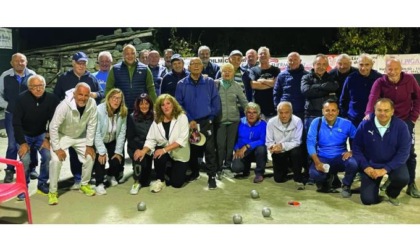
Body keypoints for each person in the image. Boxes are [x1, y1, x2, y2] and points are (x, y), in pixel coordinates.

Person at [365, 57, 420, 198]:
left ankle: (411, 183)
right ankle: (391, 176)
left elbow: (418, 98)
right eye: (390, 69)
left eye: (396, 69)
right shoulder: (380, 82)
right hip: (387, 121)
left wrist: (413, 117)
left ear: (401, 69)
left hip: (405, 121)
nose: (393, 72)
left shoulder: (410, 79)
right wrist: (368, 115)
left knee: (409, 152)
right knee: (387, 149)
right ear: (385, 70)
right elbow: (372, 98)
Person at [54, 51, 103, 190]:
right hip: (70, 120)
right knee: (73, 151)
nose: (81, 66)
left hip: (86, 119)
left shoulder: (91, 78)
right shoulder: (64, 78)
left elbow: (101, 94)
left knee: (89, 147)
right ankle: (76, 177)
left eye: (84, 63)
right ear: (73, 63)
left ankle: (87, 176)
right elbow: (56, 97)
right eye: (79, 63)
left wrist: (93, 94)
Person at [48, 83, 98, 205]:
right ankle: (52, 192)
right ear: (74, 94)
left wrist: (89, 145)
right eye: (80, 94)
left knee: (90, 156)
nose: (83, 98)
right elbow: (53, 127)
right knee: (56, 161)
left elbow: (92, 125)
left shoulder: (92, 103)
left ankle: (84, 184)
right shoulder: (64, 106)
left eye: (86, 95)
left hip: (80, 135)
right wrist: (57, 148)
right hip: (62, 135)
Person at [354, 98, 410, 206]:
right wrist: (366, 167)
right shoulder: (365, 125)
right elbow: (356, 147)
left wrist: (385, 169)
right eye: (379, 110)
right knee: (368, 200)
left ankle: (391, 193)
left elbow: (404, 152)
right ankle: (373, 190)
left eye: (386, 110)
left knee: (403, 178)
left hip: (393, 163)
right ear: (374, 110)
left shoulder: (401, 126)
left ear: (392, 111)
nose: (383, 113)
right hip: (371, 165)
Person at [176, 57, 221, 189]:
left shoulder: (209, 82)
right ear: (188, 67)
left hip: (206, 121)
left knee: (209, 149)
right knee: (193, 149)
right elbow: (179, 104)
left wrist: (211, 118)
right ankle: (194, 172)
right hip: (189, 123)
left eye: (198, 64)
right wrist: (189, 120)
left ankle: (211, 176)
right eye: (193, 64)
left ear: (202, 67)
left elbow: (215, 102)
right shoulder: (181, 84)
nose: (196, 66)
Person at [13, 74, 60, 199]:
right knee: (25, 160)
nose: (38, 89)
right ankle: (23, 187)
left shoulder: (52, 99)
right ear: (29, 88)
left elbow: (54, 121)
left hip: (41, 134)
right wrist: (22, 143)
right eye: (34, 87)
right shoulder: (21, 99)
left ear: (45, 86)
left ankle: (42, 183)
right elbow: (16, 123)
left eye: (41, 86)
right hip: (24, 134)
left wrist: (47, 138)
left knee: (48, 156)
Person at [135, 94, 190, 192]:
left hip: (179, 153)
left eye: (168, 103)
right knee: (157, 153)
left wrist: (164, 150)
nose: (166, 107)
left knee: (176, 184)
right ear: (160, 107)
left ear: (173, 104)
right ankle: (160, 179)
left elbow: (181, 140)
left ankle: (172, 170)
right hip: (165, 152)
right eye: (163, 105)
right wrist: (143, 151)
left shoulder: (182, 117)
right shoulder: (157, 120)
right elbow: (151, 139)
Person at [307, 99, 358, 197]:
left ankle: (346, 185)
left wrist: (352, 150)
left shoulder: (346, 123)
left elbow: (358, 139)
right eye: (327, 110)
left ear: (338, 112)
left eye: (333, 110)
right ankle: (329, 178)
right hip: (322, 157)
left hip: (340, 157)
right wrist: (317, 162)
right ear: (322, 111)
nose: (330, 113)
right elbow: (310, 143)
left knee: (354, 163)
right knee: (315, 174)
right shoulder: (316, 122)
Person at [0, 53, 38, 183]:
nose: (19, 63)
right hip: (11, 115)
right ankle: (10, 170)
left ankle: (32, 168)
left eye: (22, 61)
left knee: (31, 141)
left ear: (26, 62)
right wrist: (8, 105)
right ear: (11, 63)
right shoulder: (5, 76)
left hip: (29, 115)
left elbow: (38, 92)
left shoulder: (32, 75)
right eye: (16, 61)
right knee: (12, 144)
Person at [214, 63, 248, 178]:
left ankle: (227, 166)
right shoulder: (215, 84)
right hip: (220, 121)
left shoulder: (237, 86)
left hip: (234, 120)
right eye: (224, 71)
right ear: (221, 73)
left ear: (233, 73)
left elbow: (244, 102)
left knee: (230, 146)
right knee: (220, 145)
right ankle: (218, 168)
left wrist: (250, 113)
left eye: (229, 71)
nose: (227, 73)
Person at [93, 88, 128, 195]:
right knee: (101, 159)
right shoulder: (99, 110)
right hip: (100, 139)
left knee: (117, 158)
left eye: (119, 99)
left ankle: (110, 175)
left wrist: (118, 151)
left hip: (112, 139)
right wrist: (101, 151)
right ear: (108, 98)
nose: (116, 101)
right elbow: (96, 132)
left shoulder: (123, 112)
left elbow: (122, 132)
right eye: (114, 98)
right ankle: (99, 183)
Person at [106, 44, 157, 115]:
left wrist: (155, 106)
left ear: (135, 54)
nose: (130, 56)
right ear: (123, 55)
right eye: (127, 54)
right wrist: (106, 106)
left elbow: (151, 89)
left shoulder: (145, 69)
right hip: (121, 109)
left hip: (141, 109)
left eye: (132, 53)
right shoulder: (115, 69)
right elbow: (108, 89)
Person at [266, 101, 304, 189]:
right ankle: (287, 169)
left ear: (291, 112)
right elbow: (268, 141)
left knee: (297, 152)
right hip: (278, 151)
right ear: (277, 112)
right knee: (279, 179)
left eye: (286, 112)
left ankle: (298, 176)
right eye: (281, 112)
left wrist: (282, 146)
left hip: (292, 149)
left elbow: (297, 141)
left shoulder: (297, 121)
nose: (283, 115)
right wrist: (273, 147)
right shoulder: (271, 122)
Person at [340, 53, 382, 127]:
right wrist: (345, 116)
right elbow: (343, 100)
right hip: (353, 120)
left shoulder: (379, 78)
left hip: (374, 120)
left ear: (372, 65)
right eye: (361, 64)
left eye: (367, 65)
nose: (363, 68)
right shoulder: (350, 78)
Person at [301, 53, 339, 131]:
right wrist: (324, 88)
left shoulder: (331, 77)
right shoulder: (306, 77)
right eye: (318, 64)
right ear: (314, 65)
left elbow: (335, 87)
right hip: (311, 115)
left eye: (324, 64)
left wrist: (315, 87)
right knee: (310, 140)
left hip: (329, 116)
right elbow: (306, 91)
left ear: (327, 66)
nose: (321, 67)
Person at [231, 102, 267, 183]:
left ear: (258, 114)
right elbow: (234, 138)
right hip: (242, 152)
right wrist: (236, 149)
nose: (251, 115)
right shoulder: (239, 122)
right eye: (249, 112)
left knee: (262, 149)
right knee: (236, 168)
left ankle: (259, 173)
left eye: (254, 112)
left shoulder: (263, 124)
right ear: (245, 113)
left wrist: (247, 146)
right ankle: (245, 169)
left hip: (255, 152)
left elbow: (262, 140)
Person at [126, 93, 154, 195]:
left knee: (146, 181)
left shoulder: (155, 116)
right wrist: (138, 149)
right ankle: (136, 182)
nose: (144, 106)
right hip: (136, 147)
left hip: (149, 147)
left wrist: (147, 148)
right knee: (139, 157)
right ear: (137, 105)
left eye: (146, 103)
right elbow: (130, 137)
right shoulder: (132, 117)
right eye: (141, 104)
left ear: (150, 104)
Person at [249, 46, 280, 120]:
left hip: (273, 108)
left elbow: (276, 84)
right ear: (257, 56)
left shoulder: (276, 70)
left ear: (269, 56)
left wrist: (263, 81)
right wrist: (271, 83)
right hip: (258, 109)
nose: (263, 55)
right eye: (261, 54)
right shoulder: (253, 70)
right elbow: (253, 85)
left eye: (265, 53)